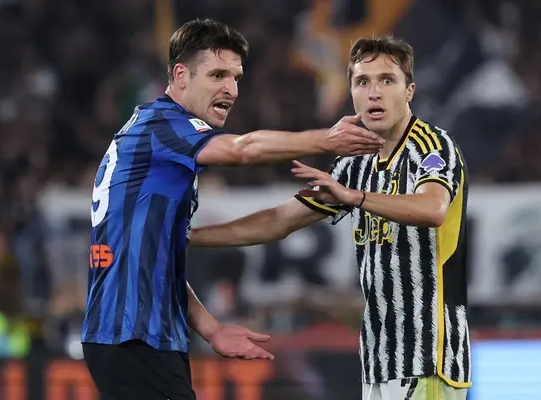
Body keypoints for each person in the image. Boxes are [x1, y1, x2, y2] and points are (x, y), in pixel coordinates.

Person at [81, 18, 384, 400]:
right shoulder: (162, 125)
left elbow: (158, 261)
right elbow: (243, 150)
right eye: (218, 74)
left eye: (236, 77)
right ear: (180, 75)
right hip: (131, 336)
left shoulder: (161, 145)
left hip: (140, 336)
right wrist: (327, 138)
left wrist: (211, 328)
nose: (231, 89)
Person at [190, 35, 471, 400]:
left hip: (429, 357)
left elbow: (433, 209)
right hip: (378, 360)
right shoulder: (354, 163)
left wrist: (355, 198)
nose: (374, 93)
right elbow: (280, 220)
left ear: (409, 91)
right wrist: (190, 236)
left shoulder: (432, 146)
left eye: (387, 80)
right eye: (362, 82)